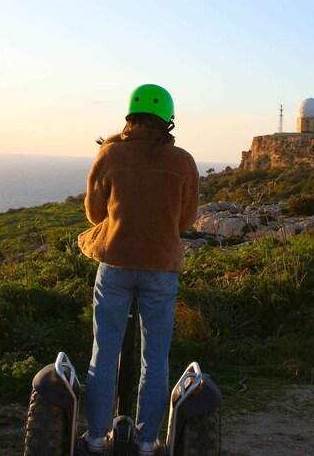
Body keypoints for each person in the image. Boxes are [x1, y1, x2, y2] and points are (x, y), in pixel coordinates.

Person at [77, 84, 199, 456]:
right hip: (161, 267)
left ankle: (96, 439)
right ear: (168, 120)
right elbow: (188, 220)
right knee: (155, 359)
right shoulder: (183, 161)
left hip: (114, 263)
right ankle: (147, 443)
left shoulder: (110, 154)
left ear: (130, 115)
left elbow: (95, 215)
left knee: (104, 352)